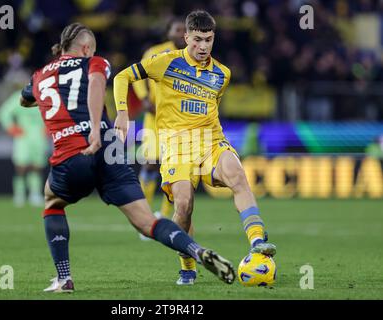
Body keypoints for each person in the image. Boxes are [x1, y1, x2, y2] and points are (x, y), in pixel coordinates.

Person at [20, 22, 235, 293]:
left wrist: (41, 96)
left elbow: (25, 99)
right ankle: (196, 250)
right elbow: (97, 82)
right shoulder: (95, 62)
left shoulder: (40, 76)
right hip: (110, 149)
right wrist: (97, 127)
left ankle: (64, 279)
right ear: (87, 48)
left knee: (52, 201)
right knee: (147, 222)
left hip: (72, 150)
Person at [114, 10, 276, 286]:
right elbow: (121, 78)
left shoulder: (222, 74)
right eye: (197, 40)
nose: (203, 46)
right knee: (184, 204)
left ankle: (258, 242)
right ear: (186, 37)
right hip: (177, 146)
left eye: (209, 40)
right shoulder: (165, 62)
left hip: (211, 141)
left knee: (237, 175)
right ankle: (187, 266)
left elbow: (211, 108)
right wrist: (121, 113)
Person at [132, 18, 186, 241]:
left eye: (185, 30)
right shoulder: (155, 53)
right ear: (169, 32)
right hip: (155, 118)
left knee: (174, 168)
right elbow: (136, 76)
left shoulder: (195, 56)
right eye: (178, 29)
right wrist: (144, 99)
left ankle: (166, 217)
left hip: (180, 120)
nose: (182, 33)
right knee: (151, 162)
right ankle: (144, 218)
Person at [0, 85, 48, 207]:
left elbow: (55, 113)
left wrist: (50, 128)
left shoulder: (45, 97)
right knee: (21, 166)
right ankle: (19, 194)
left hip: (39, 137)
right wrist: (10, 127)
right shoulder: (18, 98)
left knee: (37, 166)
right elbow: (3, 112)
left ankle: (35, 194)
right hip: (23, 137)